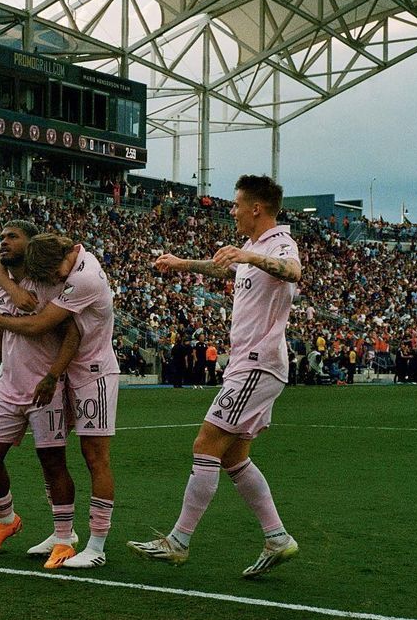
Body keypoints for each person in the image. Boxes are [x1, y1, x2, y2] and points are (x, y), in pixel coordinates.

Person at [127, 174, 302, 579]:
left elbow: (292, 271)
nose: (233, 210)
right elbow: (228, 271)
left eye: (237, 204)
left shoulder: (279, 243)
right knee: (234, 456)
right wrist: (181, 263)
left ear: (256, 208)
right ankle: (277, 538)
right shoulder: (252, 246)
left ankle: (179, 541)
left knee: (205, 444)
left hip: (258, 364)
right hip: (250, 363)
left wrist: (250, 258)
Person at [0, 231, 120, 569]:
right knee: (52, 456)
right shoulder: (68, 265)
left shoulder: (84, 277)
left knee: (95, 457)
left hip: (93, 373)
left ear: (71, 253)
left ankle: (97, 545)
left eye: (56, 271)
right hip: (70, 373)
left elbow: (43, 325)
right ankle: (65, 534)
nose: (55, 278)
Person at [0, 221, 83, 568]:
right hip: (9, 386)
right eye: (1, 237)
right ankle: (7, 521)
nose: (3, 242)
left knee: (52, 461)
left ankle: (64, 539)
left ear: (31, 243)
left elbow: (71, 334)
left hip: (44, 387)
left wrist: (54, 376)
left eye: (12, 237)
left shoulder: (50, 284)